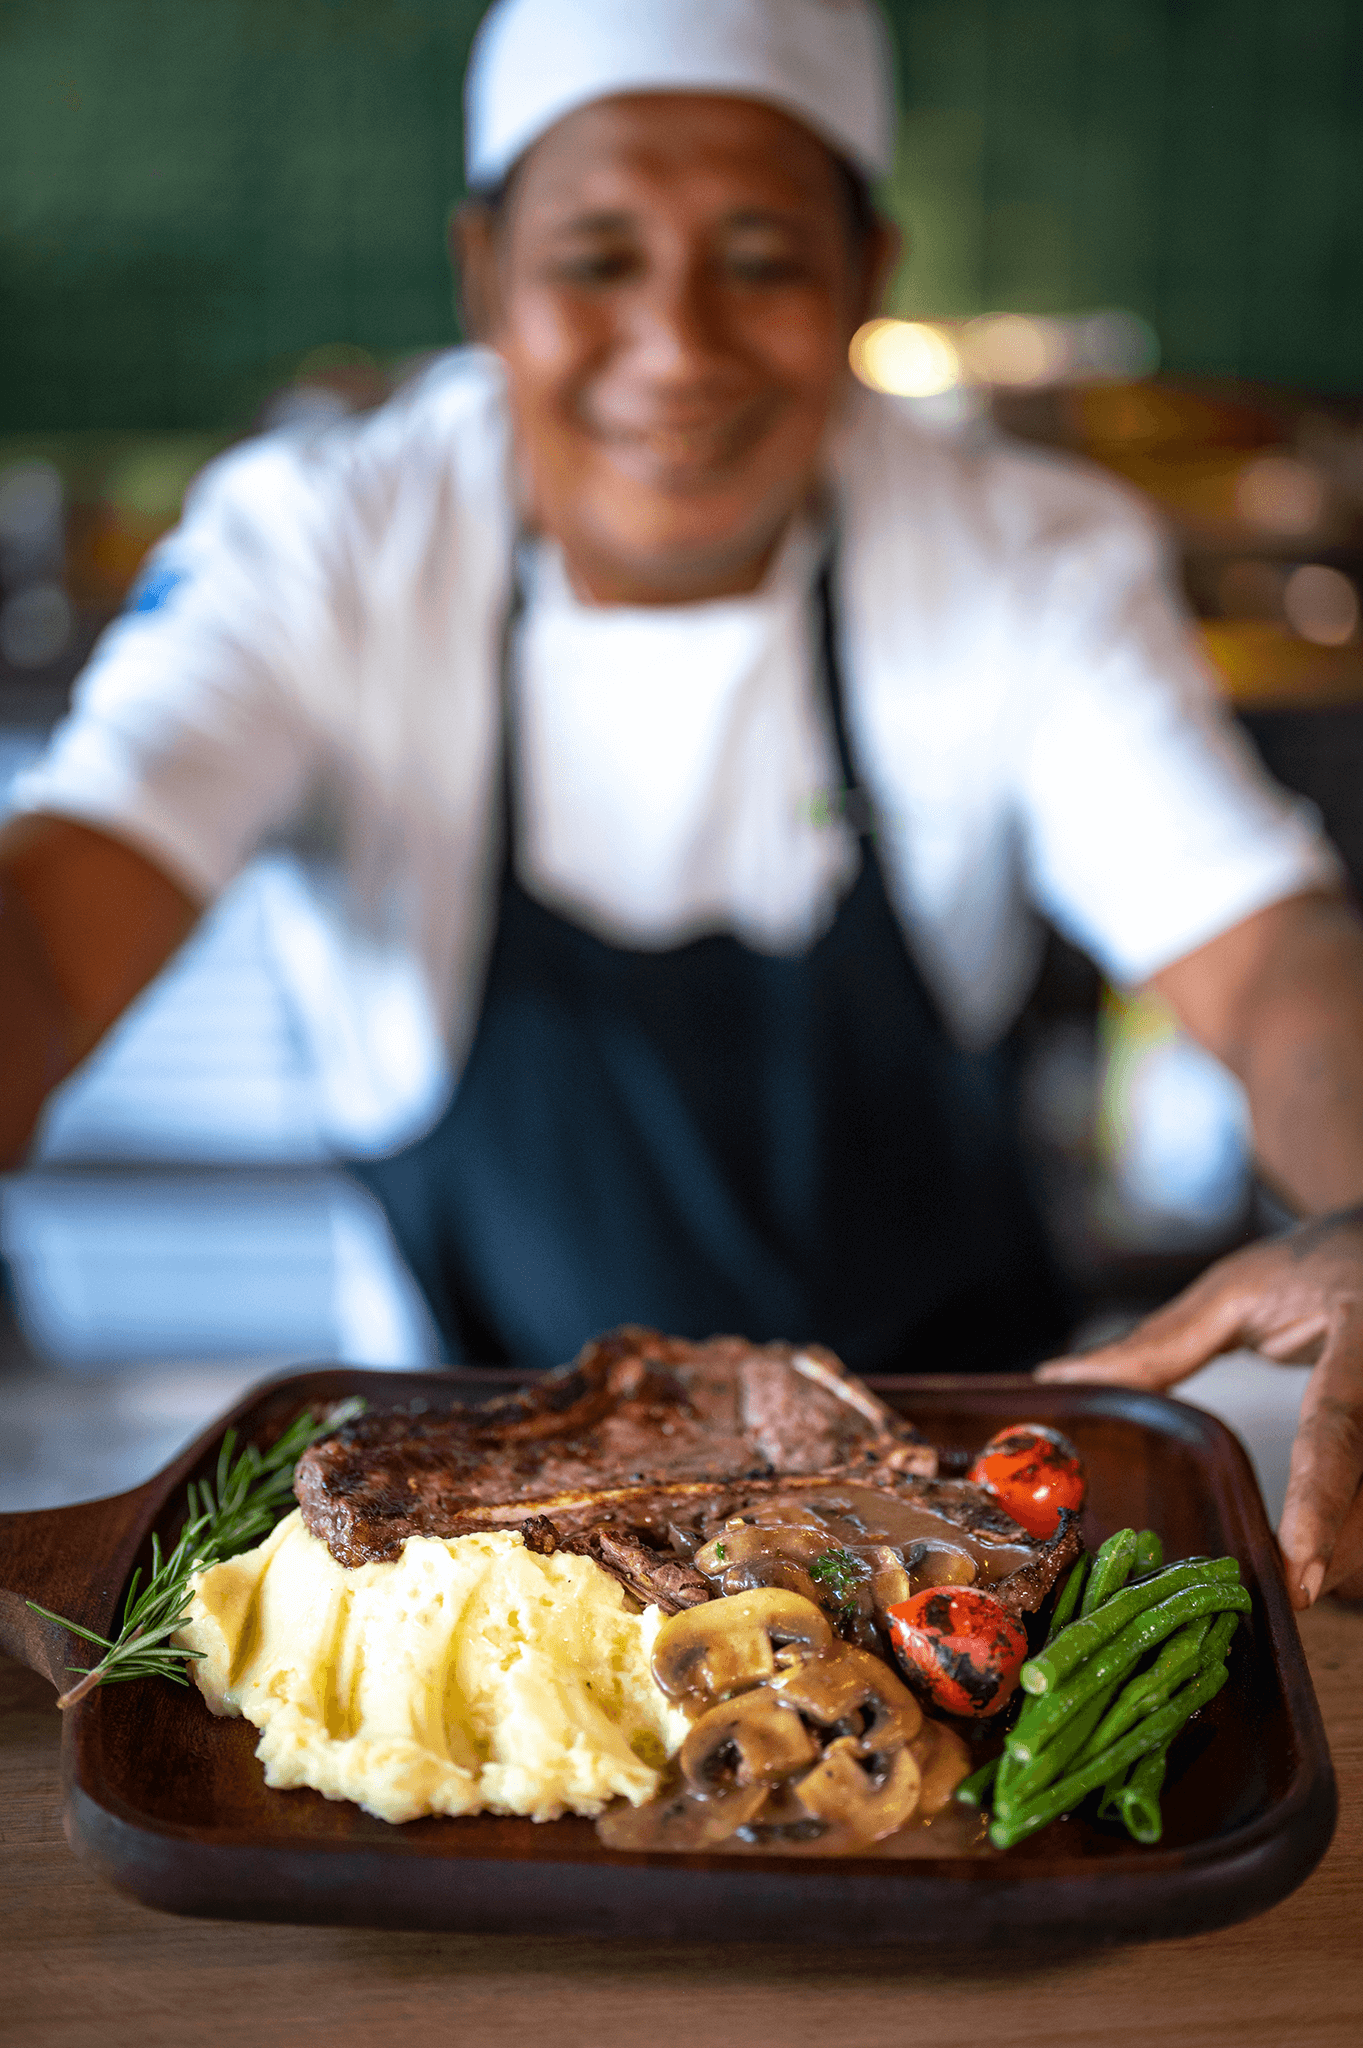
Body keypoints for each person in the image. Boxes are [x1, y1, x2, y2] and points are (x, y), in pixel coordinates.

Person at [2, 0, 1362, 1610]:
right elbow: (52, 929)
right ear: (483, 271)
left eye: (763, 258)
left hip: (963, 1539)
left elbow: (1272, 960)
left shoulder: (1025, 560)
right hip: (448, 1541)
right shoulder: (321, 544)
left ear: (866, 276)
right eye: (595, 259)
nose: (678, 343)